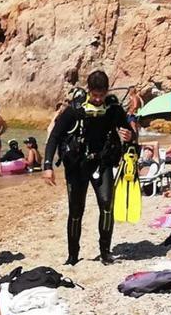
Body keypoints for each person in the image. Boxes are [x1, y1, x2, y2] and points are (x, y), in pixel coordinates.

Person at [43, 70, 136, 266]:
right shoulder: (74, 110)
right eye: (94, 95)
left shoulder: (113, 109)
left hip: (101, 164)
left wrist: (130, 137)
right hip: (77, 166)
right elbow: (54, 137)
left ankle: (105, 253)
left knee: (107, 207)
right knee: (76, 211)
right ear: (89, 91)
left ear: (106, 92)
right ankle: (73, 256)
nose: (98, 99)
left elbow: (129, 131)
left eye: (101, 95)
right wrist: (47, 165)